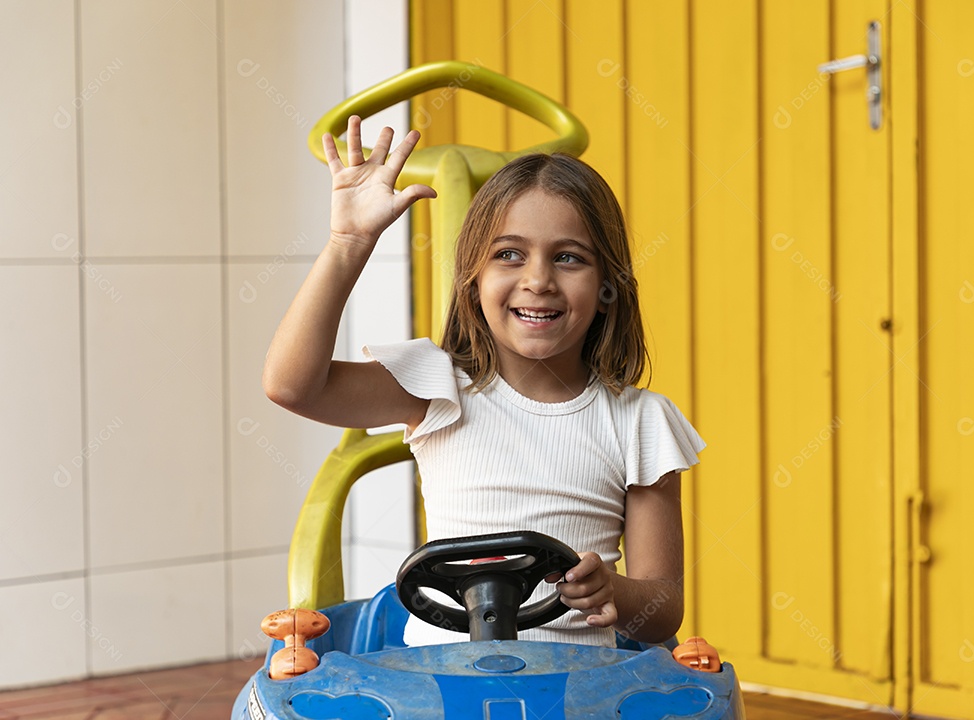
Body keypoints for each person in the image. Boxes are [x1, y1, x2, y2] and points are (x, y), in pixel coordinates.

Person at [263, 115, 705, 648]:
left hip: (581, 693)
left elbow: (663, 611)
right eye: (508, 254)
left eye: (568, 258)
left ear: (608, 285)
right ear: (473, 281)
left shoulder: (641, 422)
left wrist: (613, 590)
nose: (538, 280)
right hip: (439, 688)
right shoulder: (434, 385)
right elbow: (293, 386)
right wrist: (348, 241)